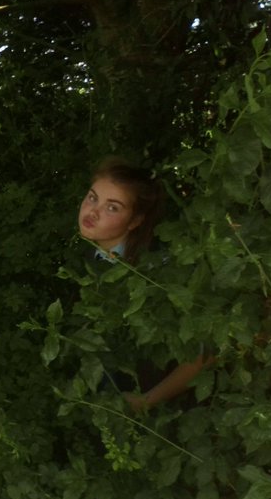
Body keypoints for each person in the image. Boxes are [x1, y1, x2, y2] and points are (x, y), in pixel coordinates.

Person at [76, 158, 208, 411]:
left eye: (112, 208)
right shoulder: (96, 252)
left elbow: (205, 353)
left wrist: (147, 401)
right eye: (93, 198)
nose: (92, 212)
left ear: (135, 221)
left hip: (168, 407)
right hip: (115, 383)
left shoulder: (158, 274)